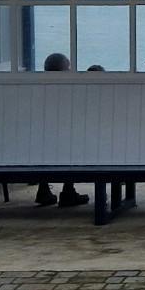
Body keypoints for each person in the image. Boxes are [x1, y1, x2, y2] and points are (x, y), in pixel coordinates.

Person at [33, 54, 90, 208]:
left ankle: (43, 190)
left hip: (36, 144)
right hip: (61, 143)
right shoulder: (65, 88)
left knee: (45, 149)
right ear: (63, 70)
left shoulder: (36, 87)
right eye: (68, 68)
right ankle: (68, 191)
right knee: (70, 147)